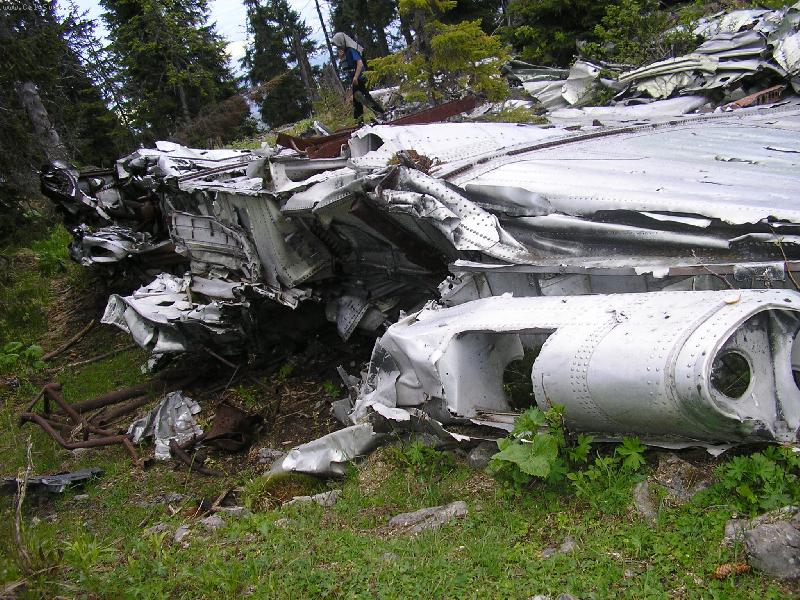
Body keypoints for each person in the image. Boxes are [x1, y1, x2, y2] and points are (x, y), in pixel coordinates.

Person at [331, 32, 386, 124]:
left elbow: (359, 64)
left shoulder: (351, 50)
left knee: (363, 97)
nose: (338, 47)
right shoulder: (346, 52)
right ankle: (360, 120)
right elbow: (346, 66)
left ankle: (379, 113)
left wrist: (356, 77)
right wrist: (341, 58)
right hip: (354, 77)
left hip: (358, 77)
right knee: (358, 99)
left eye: (338, 44)